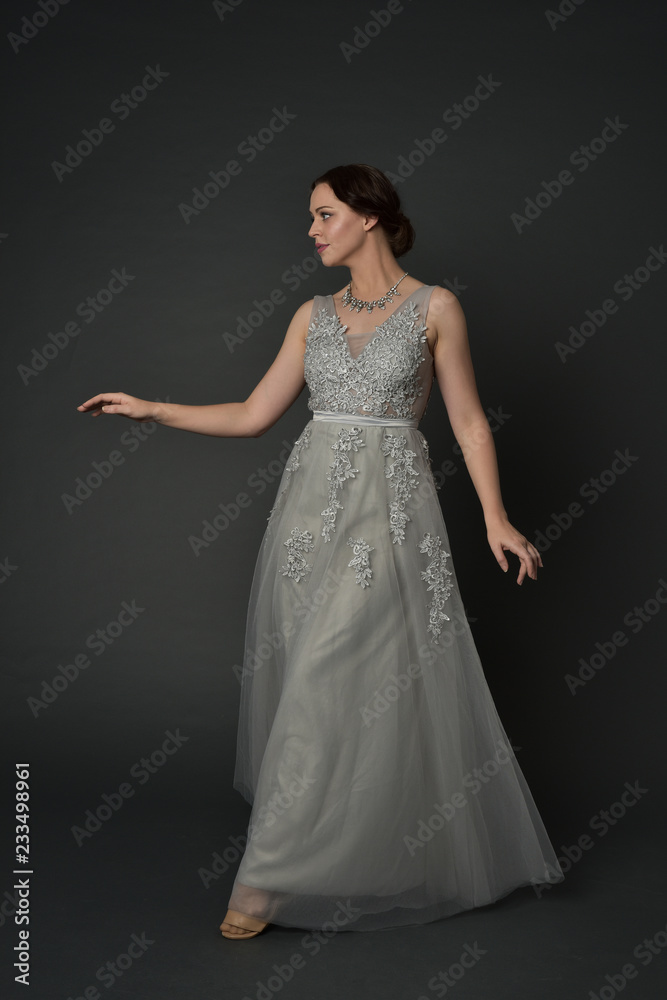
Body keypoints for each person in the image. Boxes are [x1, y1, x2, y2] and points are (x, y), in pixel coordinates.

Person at [77, 162, 564, 940]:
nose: (310, 231)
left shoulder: (436, 308)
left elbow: (468, 422)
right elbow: (250, 413)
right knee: (329, 683)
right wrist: (152, 409)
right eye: (311, 217)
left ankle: (264, 882)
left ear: (369, 216)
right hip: (307, 526)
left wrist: (494, 517)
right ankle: (353, 849)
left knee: (325, 673)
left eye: (323, 214)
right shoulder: (311, 315)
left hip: (390, 522)